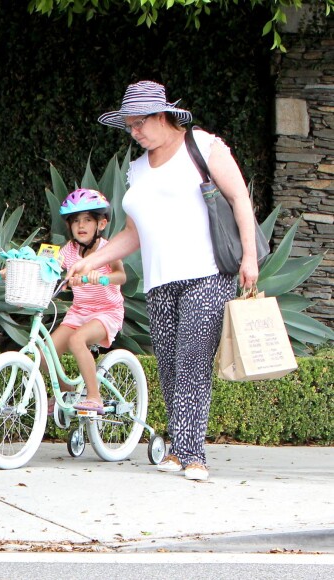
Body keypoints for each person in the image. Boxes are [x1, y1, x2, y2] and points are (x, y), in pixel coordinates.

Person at [67, 81, 259, 481]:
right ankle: (176, 448)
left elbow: (240, 199)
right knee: (170, 366)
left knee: (191, 363)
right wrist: (92, 260)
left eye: (140, 123)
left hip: (207, 273)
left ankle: (194, 456)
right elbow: (134, 233)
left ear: (163, 116)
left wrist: (250, 257)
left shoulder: (204, 148)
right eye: (129, 125)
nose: (134, 132)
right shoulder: (137, 168)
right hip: (160, 280)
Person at [53, 189, 126, 414]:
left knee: (77, 340)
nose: (81, 225)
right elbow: (50, 264)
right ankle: (67, 394)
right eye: (76, 221)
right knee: (48, 352)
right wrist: (15, 267)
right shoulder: (70, 249)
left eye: (87, 220)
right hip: (79, 312)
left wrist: (103, 278)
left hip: (107, 312)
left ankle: (94, 397)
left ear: (100, 224)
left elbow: (121, 276)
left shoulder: (107, 249)